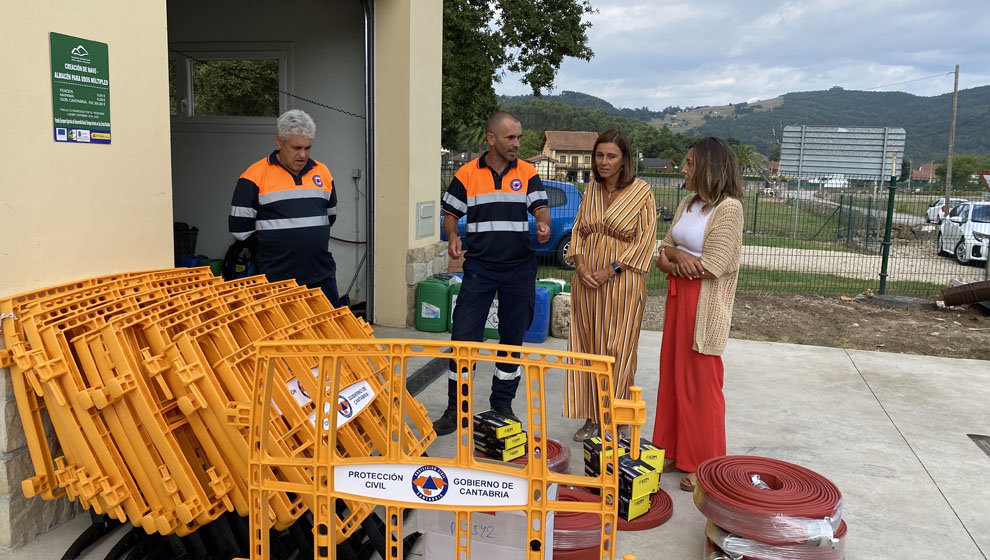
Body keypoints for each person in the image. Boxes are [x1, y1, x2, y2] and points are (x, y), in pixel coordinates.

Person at [432, 111, 551, 436]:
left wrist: (543, 224)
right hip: (480, 269)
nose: (517, 143)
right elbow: (450, 214)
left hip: (518, 270)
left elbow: (541, 207)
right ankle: (456, 409)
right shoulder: (467, 173)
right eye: (510, 137)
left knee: (512, 340)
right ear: (491, 138)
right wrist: (454, 238)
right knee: (463, 341)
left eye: (518, 137)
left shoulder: (527, 172)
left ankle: (502, 405)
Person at [652, 137, 744, 492]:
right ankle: (675, 451)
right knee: (674, 378)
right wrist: (676, 258)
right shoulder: (688, 203)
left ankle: (705, 464)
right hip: (679, 300)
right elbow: (662, 250)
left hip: (703, 307)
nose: (684, 169)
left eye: (690, 163)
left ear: (708, 167)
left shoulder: (729, 208)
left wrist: (674, 260)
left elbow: (714, 266)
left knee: (702, 386)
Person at [563, 129, 657, 441]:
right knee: (588, 346)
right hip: (586, 281)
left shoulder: (642, 192)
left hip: (622, 282)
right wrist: (580, 262)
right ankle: (591, 415)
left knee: (617, 348)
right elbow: (577, 229)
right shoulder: (591, 188)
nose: (604, 162)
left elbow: (646, 240)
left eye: (611, 156)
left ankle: (614, 416)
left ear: (624, 159)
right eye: (599, 155)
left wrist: (610, 269)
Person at [228, 109, 341, 306]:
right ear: (279, 142)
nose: (303, 154)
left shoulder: (322, 172)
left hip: (321, 277)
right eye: (296, 147)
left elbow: (330, 216)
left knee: (329, 335)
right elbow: (240, 229)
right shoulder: (253, 176)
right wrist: (275, 247)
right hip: (275, 281)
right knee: (284, 337)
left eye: (308, 148)